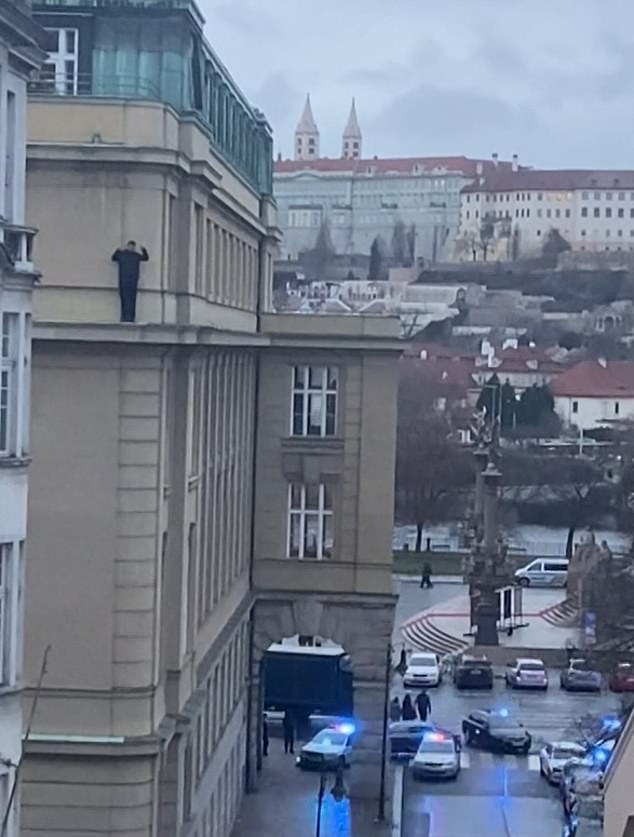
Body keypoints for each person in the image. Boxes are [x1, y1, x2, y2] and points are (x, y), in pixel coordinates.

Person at [111, 240, 149, 323]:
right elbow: (113, 258)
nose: (131, 248)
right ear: (127, 246)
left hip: (132, 281)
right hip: (124, 281)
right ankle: (124, 317)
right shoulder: (122, 254)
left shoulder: (135, 256)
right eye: (130, 246)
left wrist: (144, 250)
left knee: (132, 300)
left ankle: (130, 318)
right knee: (124, 299)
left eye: (133, 247)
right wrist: (118, 250)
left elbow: (145, 258)